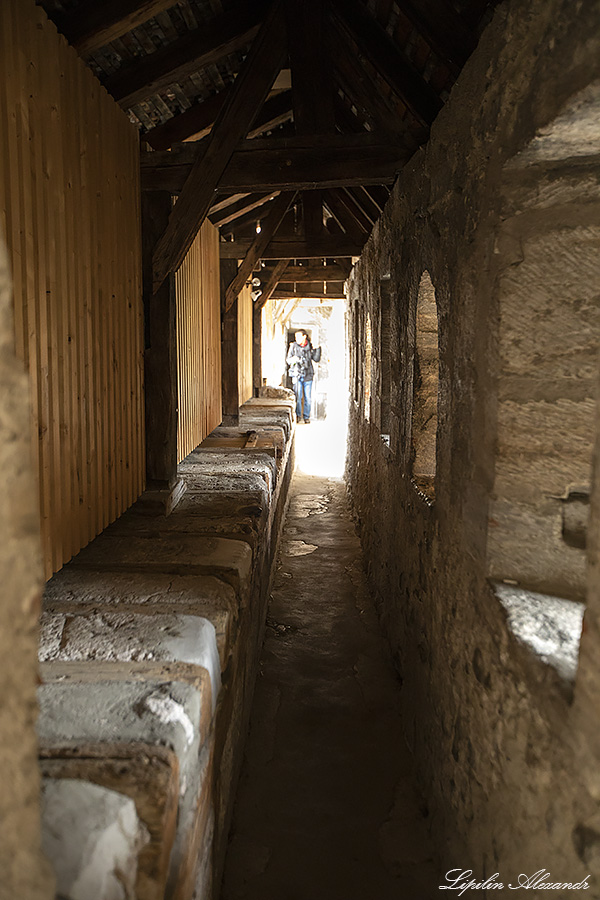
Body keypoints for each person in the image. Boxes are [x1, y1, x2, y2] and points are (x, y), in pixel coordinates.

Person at [286, 330, 321, 424]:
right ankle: (298, 416)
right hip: (297, 374)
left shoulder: (310, 346)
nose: (296, 339)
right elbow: (288, 360)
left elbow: (316, 359)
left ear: (304, 336)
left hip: (308, 374)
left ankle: (306, 417)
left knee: (308, 398)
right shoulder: (293, 346)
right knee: (298, 396)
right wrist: (295, 360)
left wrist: (317, 349)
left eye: (298, 337)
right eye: (296, 337)